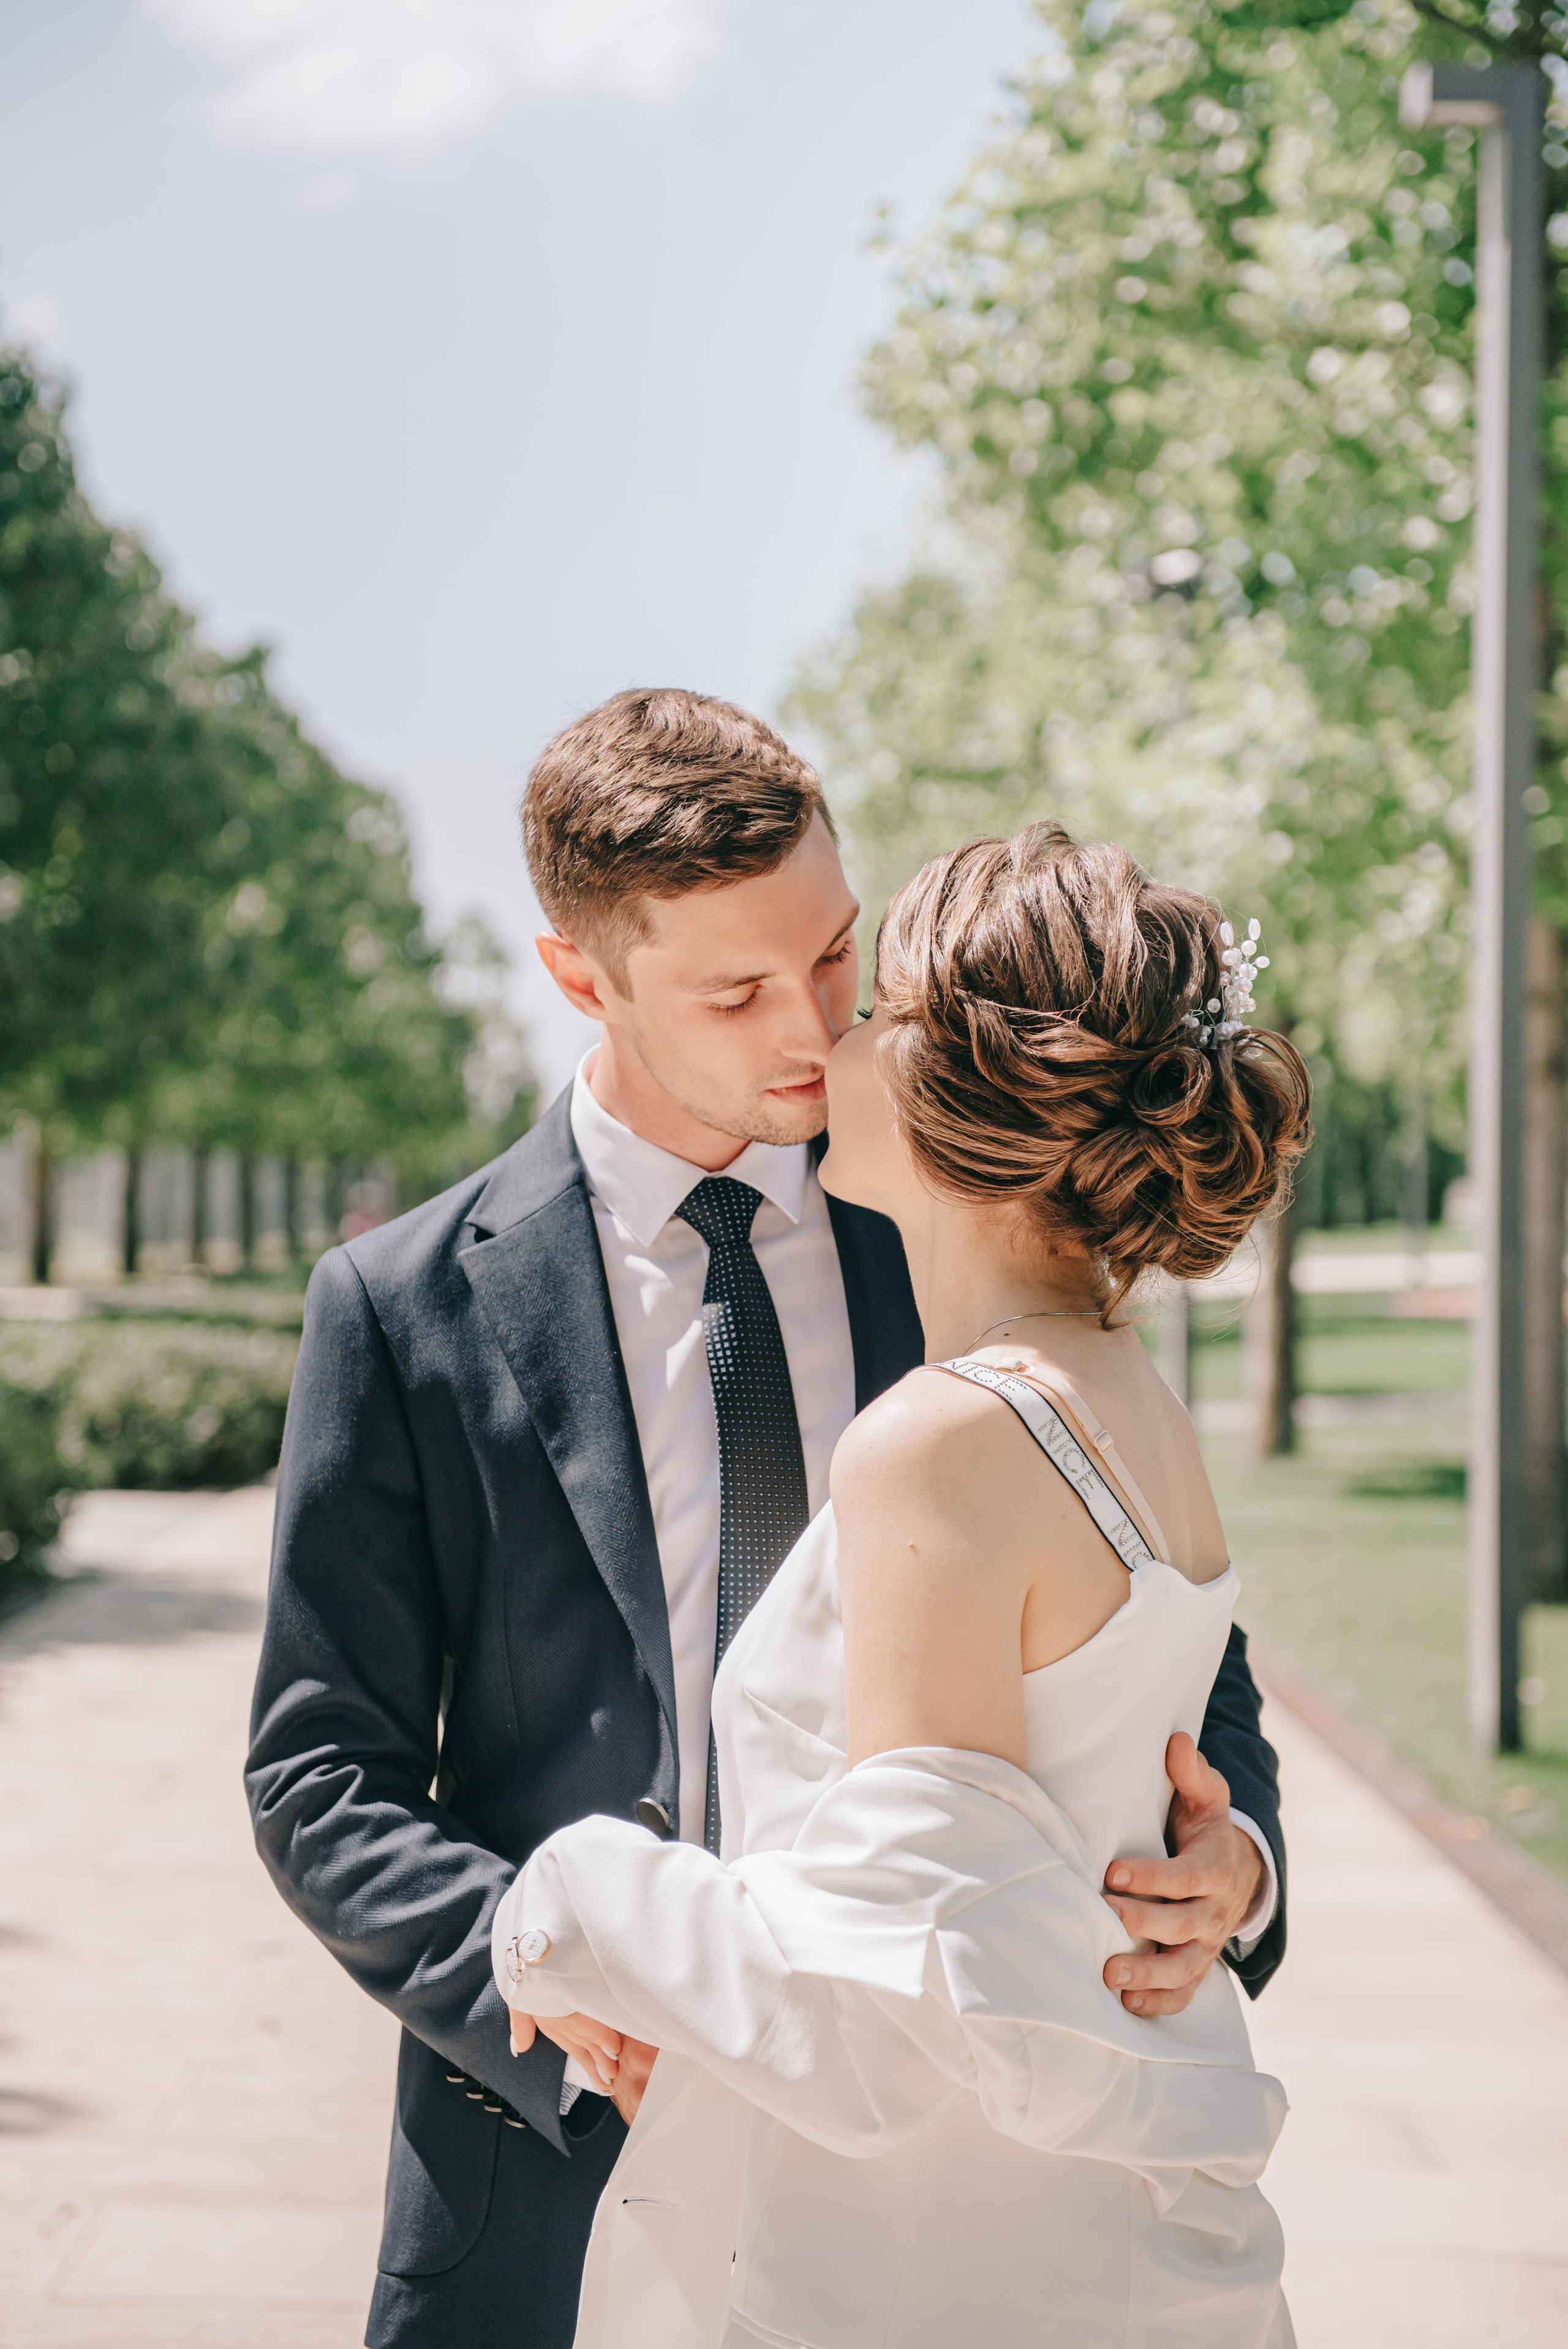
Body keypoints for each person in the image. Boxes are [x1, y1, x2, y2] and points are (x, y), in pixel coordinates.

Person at [246, 692, 1286, 2349]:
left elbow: (1165, 1655)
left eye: (833, 956)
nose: (813, 1027)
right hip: (546, 2170)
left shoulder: (960, 1218)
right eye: (736, 993)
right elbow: (319, 1770)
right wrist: (539, 1967)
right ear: (581, 976)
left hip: (937, 2192)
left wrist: (1237, 1865)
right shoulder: (400, 1306)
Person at [495, 822, 1310, 2347]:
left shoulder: (938, 1442)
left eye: (873, 1004)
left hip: (945, 2267)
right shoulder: (1126, 1398)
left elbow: (877, 2021)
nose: (831, 1035)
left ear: (953, 1076)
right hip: (1099, 2234)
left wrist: (567, 1900)